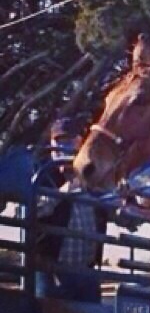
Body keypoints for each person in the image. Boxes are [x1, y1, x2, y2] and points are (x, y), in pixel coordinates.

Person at [35, 116, 107, 302]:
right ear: (51, 143)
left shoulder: (92, 175)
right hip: (52, 269)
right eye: (59, 141)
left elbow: (113, 210)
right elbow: (35, 208)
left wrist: (136, 207)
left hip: (86, 271)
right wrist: (65, 191)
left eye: (70, 141)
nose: (64, 147)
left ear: (80, 144)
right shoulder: (43, 173)